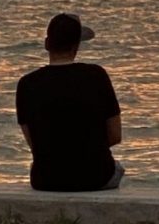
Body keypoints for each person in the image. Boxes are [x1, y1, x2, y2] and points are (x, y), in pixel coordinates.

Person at [16, 13, 124, 192]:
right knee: (119, 169)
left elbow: (35, 143)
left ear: (46, 44)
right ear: (77, 46)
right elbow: (114, 136)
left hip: (46, 180)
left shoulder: (27, 84)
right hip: (96, 177)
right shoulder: (96, 76)